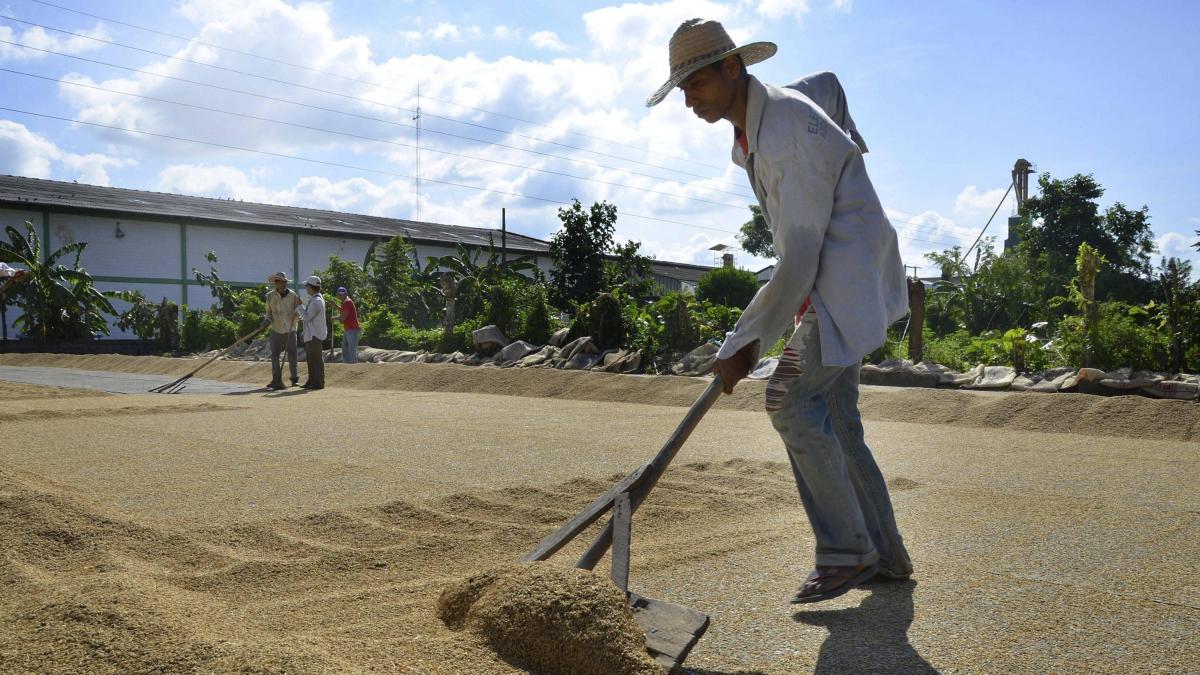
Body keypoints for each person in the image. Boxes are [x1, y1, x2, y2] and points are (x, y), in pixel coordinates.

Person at [647, 19, 912, 604]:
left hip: (839, 280)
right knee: (837, 419)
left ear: (733, 68)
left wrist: (745, 345)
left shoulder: (784, 135)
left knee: (788, 397)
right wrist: (847, 141)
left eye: (695, 83)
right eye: (682, 87)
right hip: (836, 275)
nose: (688, 99)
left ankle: (848, 553)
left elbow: (796, 258)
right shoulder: (766, 119)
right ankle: (887, 556)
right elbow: (830, 84)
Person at [263, 271, 302, 390]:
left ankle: (294, 379)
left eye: (285, 282)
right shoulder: (270, 296)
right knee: (274, 355)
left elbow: (298, 311)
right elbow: (268, 313)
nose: (284, 284)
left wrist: (296, 317)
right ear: (276, 283)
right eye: (281, 282)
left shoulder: (293, 295)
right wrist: (266, 320)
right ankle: (276, 380)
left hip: (291, 329)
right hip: (276, 329)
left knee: (292, 355)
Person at [299, 276, 327, 390]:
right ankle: (312, 381)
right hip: (312, 334)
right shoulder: (316, 299)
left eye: (307, 286)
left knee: (316, 360)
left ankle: (318, 383)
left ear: (311, 287)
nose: (306, 288)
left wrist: (299, 305)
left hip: (315, 335)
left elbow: (306, 317)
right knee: (311, 360)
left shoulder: (316, 301)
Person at [335, 286, 360, 364]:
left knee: (351, 349)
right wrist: (335, 306)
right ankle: (346, 366)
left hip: (353, 329)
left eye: (342, 294)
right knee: (345, 348)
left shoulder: (347, 302)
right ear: (337, 295)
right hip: (348, 329)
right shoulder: (344, 302)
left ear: (345, 294)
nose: (341, 296)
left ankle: (353, 365)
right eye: (340, 294)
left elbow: (344, 317)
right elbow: (343, 311)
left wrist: (334, 318)